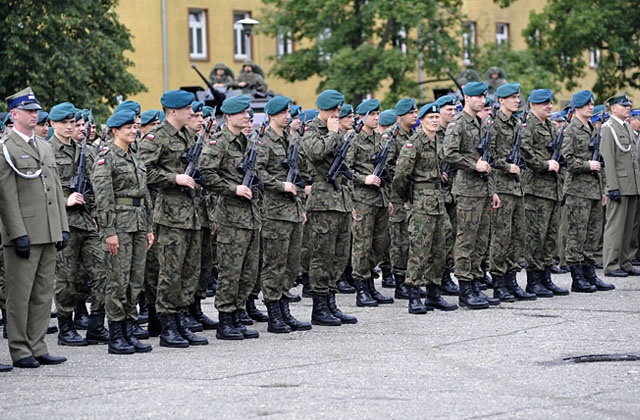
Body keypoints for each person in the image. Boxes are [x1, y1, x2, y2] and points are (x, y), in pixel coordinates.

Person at [0, 87, 69, 368]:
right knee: (20, 294)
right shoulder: (6, 147)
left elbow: (54, 189)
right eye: (28, 111)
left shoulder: (44, 146)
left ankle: (38, 345)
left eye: (36, 111)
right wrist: (17, 233)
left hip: (48, 230)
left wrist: (62, 227)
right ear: (14, 114)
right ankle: (20, 349)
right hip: (25, 232)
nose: (34, 115)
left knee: (43, 293)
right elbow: (6, 195)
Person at [138, 89, 208, 348]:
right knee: (170, 272)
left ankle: (181, 321)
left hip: (191, 214)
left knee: (190, 271)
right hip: (169, 216)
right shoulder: (157, 138)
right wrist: (173, 178)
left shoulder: (188, 136)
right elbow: (143, 171)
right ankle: (167, 326)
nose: (192, 112)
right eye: (188, 108)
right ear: (173, 111)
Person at [91, 110, 154, 354]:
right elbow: (103, 197)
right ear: (114, 131)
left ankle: (129, 330)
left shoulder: (134, 156)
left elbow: (144, 195)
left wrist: (148, 227)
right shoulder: (107, 157)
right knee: (117, 280)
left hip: (138, 224)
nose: (132, 130)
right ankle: (116, 334)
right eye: (127, 127)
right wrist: (109, 231)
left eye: (134, 127)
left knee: (135, 281)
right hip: (119, 225)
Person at [199, 95, 262, 340]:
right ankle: (225, 319)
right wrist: (232, 188)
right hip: (230, 216)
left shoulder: (245, 142)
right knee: (230, 271)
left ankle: (237, 314)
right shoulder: (219, 142)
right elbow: (206, 173)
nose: (247, 116)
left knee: (248, 271)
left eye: (248, 112)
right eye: (242, 113)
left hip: (250, 215)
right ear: (229, 117)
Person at [49, 103, 111, 347]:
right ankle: (66, 327)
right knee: (66, 278)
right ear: (53, 124)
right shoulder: (46, 151)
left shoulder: (84, 150)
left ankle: (96, 324)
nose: (69, 127)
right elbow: (39, 189)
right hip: (63, 222)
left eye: (72, 123)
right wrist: (64, 201)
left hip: (87, 221)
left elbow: (94, 186)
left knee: (103, 272)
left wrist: (97, 215)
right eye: (64, 123)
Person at [299, 89, 357, 326]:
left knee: (339, 255)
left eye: (339, 110)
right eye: (333, 110)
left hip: (340, 199)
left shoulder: (338, 132)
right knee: (322, 256)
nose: (337, 114)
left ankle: (331, 303)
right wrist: (333, 134)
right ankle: (319, 306)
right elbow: (315, 152)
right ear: (323, 110)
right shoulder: (312, 129)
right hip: (323, 202)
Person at [394, 102, 458, 314]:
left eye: (436, 117)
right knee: (419, 249)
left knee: (440, 248)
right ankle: (413, 293)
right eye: (430, 118)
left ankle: (433, 293)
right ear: (421, 121)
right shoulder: (414, 143)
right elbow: (401, 176)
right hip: (420, 203)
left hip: (438, 200)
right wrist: (408, 199)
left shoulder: (438, 140)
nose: (434, 121)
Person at [256, 95, 311, 333]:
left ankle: (285, 309)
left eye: (289, 113)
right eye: (282, 113)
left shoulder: (290, 139)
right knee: (274, 264)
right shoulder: (264, 142)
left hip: (293, 209)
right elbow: (258, 173)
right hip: (275, 212)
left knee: (291, 264)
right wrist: (281, 185)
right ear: (271, 116)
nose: (287, 117)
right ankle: (274, 314)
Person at [443, 81, 501, 309]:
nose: (482, 101)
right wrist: (472, 165)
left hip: (483, 190)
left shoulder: (480, 122)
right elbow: (448, 153)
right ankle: (465, 289)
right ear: (467, 97)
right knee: (466, 240)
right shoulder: (458, 123)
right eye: (478, 97)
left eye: (484, 97)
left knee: (480, 241)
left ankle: (476, 284)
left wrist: (493, 190)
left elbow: (488, 158)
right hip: (467, 190)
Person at [561, 90, 614, 292]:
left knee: (593, 234)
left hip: (593, 190)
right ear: (577, 107)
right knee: (577, 233)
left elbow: (599, 162)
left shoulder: (592, 128)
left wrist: (602, 189)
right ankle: (577, 277)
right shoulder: (571, 130)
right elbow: (568, 160)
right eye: (586, 105)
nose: (590, 107)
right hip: (577, 190)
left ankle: (589, 273)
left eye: (592, 104)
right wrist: (587, 165)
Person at [488, 83, 536, 301]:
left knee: (518, 236)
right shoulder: (493, 124)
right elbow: (489, 156)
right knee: (501, 237)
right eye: (513, 97)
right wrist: (507, 167)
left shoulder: (517, 123)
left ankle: (512, 280)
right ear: (501, 101)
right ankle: (498, 283)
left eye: (518, 97)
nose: (518, 100)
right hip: (501, 186)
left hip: (516, 187)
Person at [345, 99, 394, 307]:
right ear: (362, 117)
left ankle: (371, 283)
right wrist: (363, 178)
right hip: (362, 199)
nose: (376, 118)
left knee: (379, 244)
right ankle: (361, 288)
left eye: (377, 114)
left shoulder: (380, 138)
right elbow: (344, 169)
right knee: (362, 244)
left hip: (380, 198)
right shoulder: (353, 139)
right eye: (372, 114)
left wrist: (388, 198)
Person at [520, 89, 569, 297]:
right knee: (535, 237)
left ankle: (546, 277)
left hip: (552, 188)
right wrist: (545, 164)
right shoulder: (528, 127)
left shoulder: (550, 126)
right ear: (533, 106)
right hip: (536, 190)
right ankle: (533, 280)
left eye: (550, 103)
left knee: (550, 237)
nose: (549, 106)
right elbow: (525, 154)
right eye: (544, 104)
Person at [600, 92, 640, 277]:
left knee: (629, 227)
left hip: (632, 184)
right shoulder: (609, 128)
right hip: (619, 185)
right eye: (624, 105)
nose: (628, 108)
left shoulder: (628, 128)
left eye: (629, 105)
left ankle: (625, 261)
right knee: (615, 226)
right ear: (613, 108)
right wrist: (612, 186)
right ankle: (611, 264)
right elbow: (608, 159)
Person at [387, 98, 419, 301]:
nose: (414, 115)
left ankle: (409, 279)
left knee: (411, 239)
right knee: (399, 240)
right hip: (397, 194)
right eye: (410, 112)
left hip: (412, 193)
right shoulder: (392, 137)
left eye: (416, 112)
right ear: (400, 116)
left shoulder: (414, 135)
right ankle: (400, 282)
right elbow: (389, 167)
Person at [435, 94, 461, 296]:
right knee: (443, 234)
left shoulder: (455, 132)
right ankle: (439, 276)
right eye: (448, 110)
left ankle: (447, 274)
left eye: (454, 110)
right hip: (437, 193)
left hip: (454, 190)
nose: (452, 114)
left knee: (453, 234)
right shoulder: (432, 132)